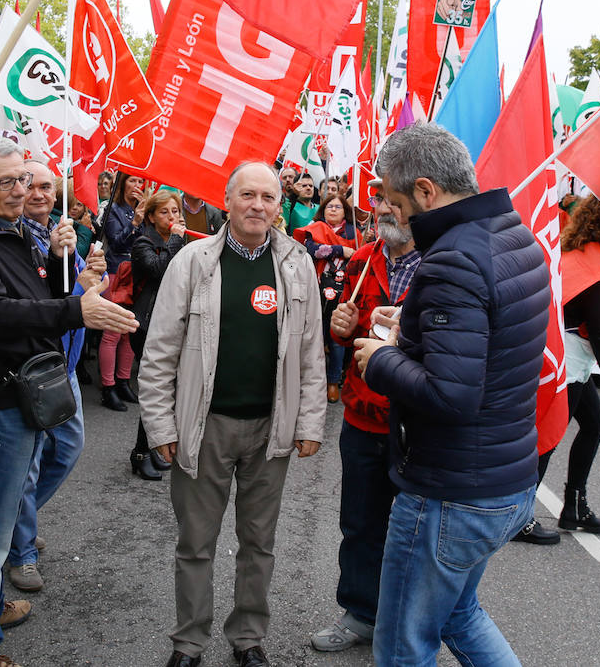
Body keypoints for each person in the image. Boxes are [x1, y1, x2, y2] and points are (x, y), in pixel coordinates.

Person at [353, 123, 547, 667]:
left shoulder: (452, 259)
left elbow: (451, 394)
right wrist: (411, 327)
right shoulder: (511, 230)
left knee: (401, 646)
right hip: (503, 476)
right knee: (460, 616)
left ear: (425, 190)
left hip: (450, 490)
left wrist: (382, 358)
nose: (394, 216)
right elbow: (488, 342)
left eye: (395, 203)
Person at [0, 137, 135, 667]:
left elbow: (39, 297)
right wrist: (77, 311)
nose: (19, 191)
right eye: (4, 183)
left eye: (23, 179)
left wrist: (67, 269)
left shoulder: (17, 229)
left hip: (25, 390)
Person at [139, 162, 326, 667]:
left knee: (258, 544)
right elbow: (159, 351)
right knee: (195, 544)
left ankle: (247, 638)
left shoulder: (297, 263)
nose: (258, 205)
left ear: (278, 206)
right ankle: (189, 644)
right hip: (204, 427)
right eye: (248, 195)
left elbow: (311, 351)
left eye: (268, 197)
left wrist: (310, 422)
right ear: (227, 199)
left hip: (272, 429)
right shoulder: (193, 261)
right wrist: (160, 425)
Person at [311, 185, 420, 653]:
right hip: (362, 418)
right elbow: (348, 333)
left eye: (396, 202)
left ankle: (408, 624)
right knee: (359, 523)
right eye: (381, 203)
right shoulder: (360, 261)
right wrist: (339, 329)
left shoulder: (438, 266)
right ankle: (360, 614)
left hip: (416, 423)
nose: (385, 210)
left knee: (414, 531)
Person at [6, 160, 97, 595]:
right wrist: (55, 259)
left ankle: (11, 521)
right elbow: (40, 303)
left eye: (46, 186)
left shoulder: (63, 232)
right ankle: (20, 548)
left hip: (65, 365)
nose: (39, 194)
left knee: (68, 449)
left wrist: (87, 275)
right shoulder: (14, 236)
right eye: (30, 185)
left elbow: (74, 298)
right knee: (29, 463)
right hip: (33, 368)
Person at [537, 196, 600, 539]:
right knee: (548, 437)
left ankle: (574, 507)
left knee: (594, 425)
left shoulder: (575, 252)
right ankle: (518, 514)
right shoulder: (596, 264)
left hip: (565, 353)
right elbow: (598, 328)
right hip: (571, 357)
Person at [128, 189, 188, 480]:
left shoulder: (176, 241)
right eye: (164, 212)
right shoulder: (143, 242)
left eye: (175, 211)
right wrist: (176, 240)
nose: (172, 217)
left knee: (166, 387)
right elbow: (159, 272)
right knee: (155, 387)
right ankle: (140, 452)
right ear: (151, 217)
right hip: (146, 323)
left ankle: (150, 448)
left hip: (169, 320)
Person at [295, 195, 357, 403]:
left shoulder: (353, 232)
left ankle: (332, 381)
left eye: (338, 206)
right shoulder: (317, 227)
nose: (333, 209)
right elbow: (311, 250)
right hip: (316, 287)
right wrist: (340, 251)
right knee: (315, 336)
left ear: (345, 211)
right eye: (329, 206)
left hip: (344, 290)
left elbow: (357, 257)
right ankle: (313, 380)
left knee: (337, 338)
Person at [99, 170, 146, 411]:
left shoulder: (145, 209)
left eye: (141, 181)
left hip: (137, 273)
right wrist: (135, 222)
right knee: (113, 331)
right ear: (123, 183)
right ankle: (108, 387)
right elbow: (117, 242)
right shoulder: (112, 209)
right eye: (133, 180)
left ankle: (123, 380)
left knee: (130, 329)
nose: (137, 185)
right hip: (117, 272)